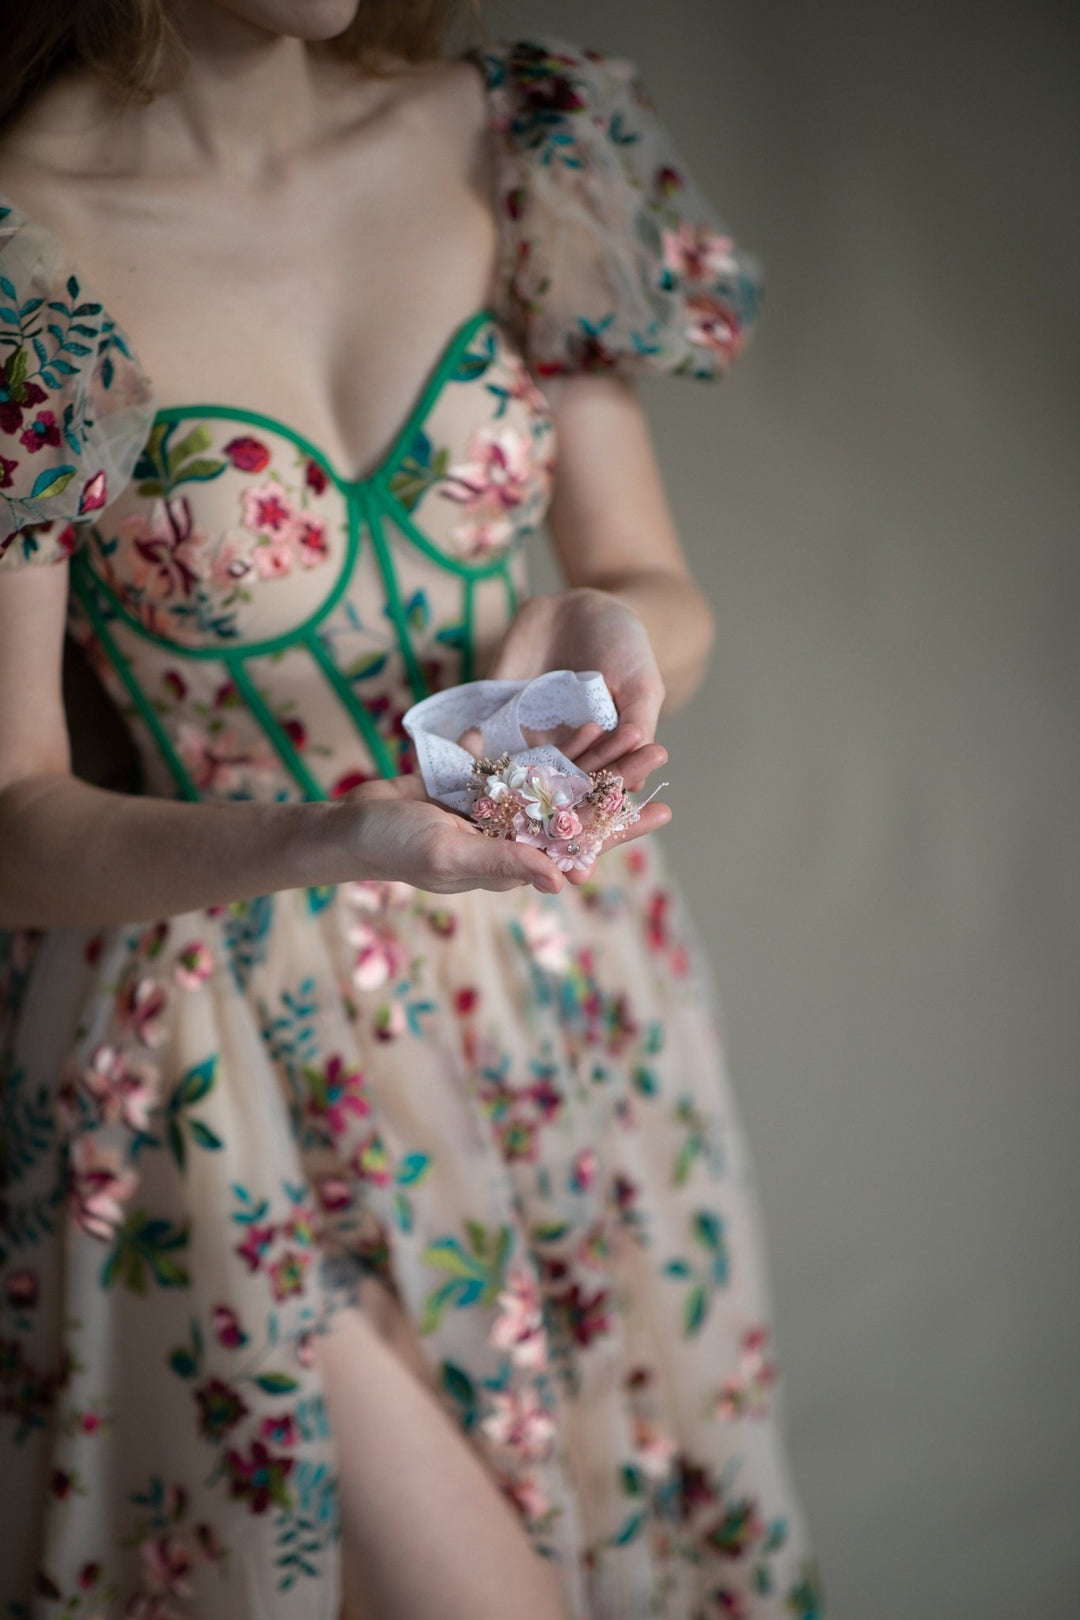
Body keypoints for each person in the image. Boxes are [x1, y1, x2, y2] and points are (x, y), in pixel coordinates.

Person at [0, 4, 823, 1617]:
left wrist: (613, 627)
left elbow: (652, 575)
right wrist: (334, 835)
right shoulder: (22, 254)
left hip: (555, 1003)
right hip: (207, 1046)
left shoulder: (520, 141)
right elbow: (15, 817)